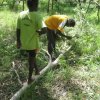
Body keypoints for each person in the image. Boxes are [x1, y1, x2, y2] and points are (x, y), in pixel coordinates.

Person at [16, 0, 42, 84]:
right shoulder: (38, 16)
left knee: (31, 57)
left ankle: (37, 71)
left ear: (27, 4)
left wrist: (18, 41)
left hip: (24, 42)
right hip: (33, 44)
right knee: (31, 60)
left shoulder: (21, 14)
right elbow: (44, 29)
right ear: (36, 5)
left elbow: (18, 29)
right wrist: (40, 32)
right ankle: (29, 79)